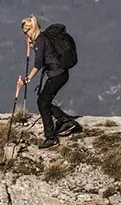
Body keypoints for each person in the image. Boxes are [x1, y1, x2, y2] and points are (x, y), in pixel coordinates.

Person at [17, 15, 82, 149]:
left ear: (32, 29)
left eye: (26, 32)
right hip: (60, 74)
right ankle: (66, 122)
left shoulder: (40, 41)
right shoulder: (42, 39)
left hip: (57, 75)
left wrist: (26, 80)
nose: (25, 35)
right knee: (43, 101)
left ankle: (51, 137)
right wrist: (32, 44)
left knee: (42, 102)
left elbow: (38, 64)